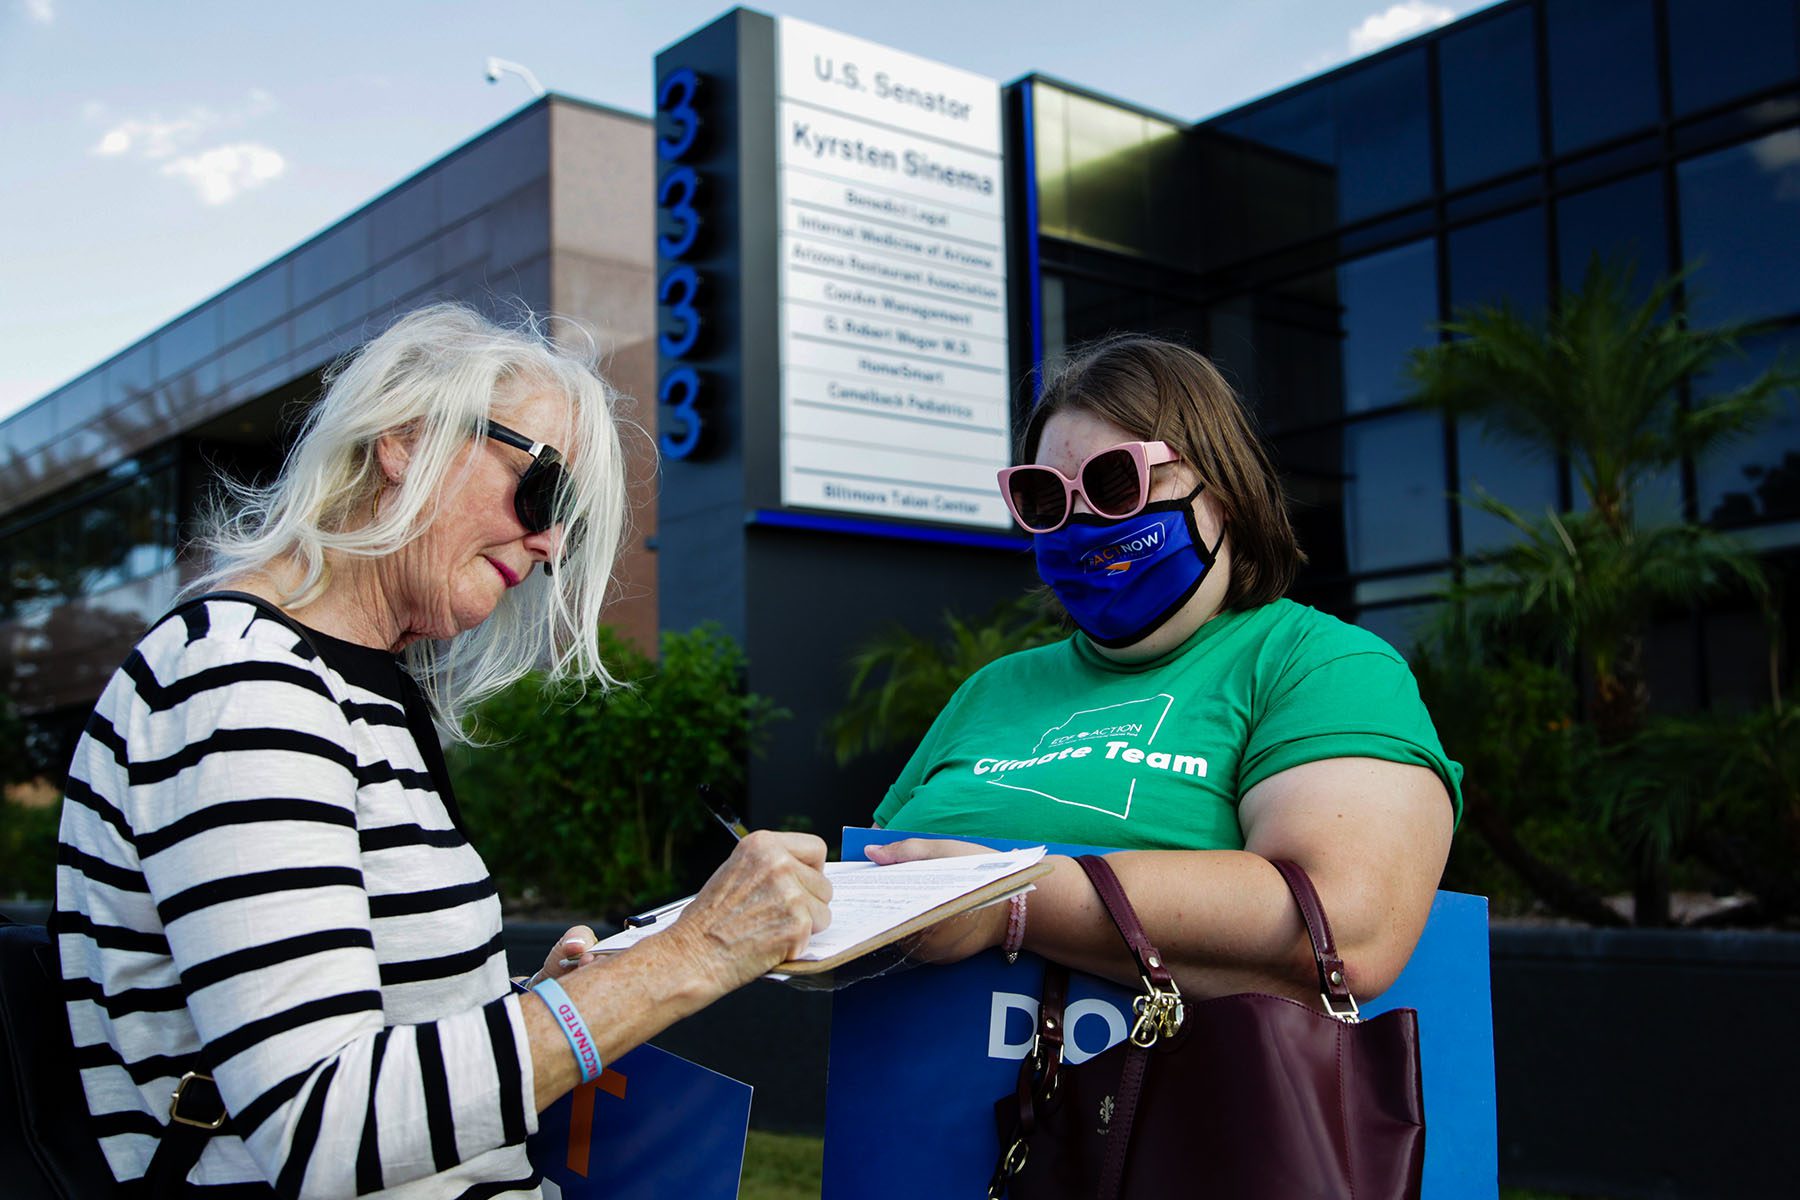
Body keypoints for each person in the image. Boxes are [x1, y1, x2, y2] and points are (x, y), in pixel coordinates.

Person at [53, 304, 832, 1198]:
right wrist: (692, 954)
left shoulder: (347, 687)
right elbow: (324, 1124)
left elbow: (357, 1019)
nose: (549, 544)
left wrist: (527, 1004)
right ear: (404, 438)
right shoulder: (245, 683)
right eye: (543, 490)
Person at [869, 335, 1460, 1006]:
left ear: (1225, 487)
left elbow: (1345, 929)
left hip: (1193, 1106)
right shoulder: (990, 690)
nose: (1082, 519)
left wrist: (1010, 904)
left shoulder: (1322, 666)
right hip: (921, 1101)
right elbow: (879, 890)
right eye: (1043, 497)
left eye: (1116, 482)